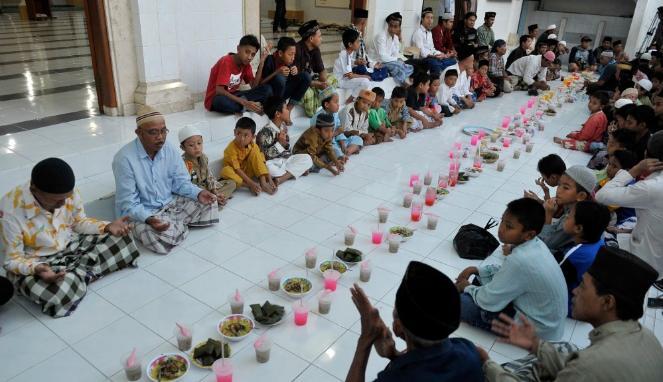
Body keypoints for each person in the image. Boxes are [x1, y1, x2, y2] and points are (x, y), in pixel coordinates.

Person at [483, 246, 663, 382]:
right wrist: (536, 345)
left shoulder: (590, 365)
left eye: (583, 286)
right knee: (562, 348)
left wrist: (487, 364)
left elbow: (583, 369)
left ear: (607, 302)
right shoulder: (648, 337)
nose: (575, 291)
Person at [2, 158, 139, 317]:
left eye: (66, 198)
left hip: (72, 245)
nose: (62, 204)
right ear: (35, 189)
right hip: (39, 262)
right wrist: (37, 269)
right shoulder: (9, 211)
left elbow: (79, 223)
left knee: (123, 239)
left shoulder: (68, 194)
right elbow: (11, 260)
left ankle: (76, 278)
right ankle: (83, 274)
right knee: (56, 292)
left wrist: (107, 226)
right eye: (56, 200)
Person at [346, 261, 484, 382]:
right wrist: (395, 356)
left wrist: (365, 340)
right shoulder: (468, 350)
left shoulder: (396, 378)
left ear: (398, 328)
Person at [456, 198, 568, 340]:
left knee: (459, 303)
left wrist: (466, 287)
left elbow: (488, 300)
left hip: (537, 331)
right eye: (502, 221)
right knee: (479, 281)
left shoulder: (521, 260)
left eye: (509, 226)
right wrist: (476, 270)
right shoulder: (535, 244)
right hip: (549, 323)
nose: (501, 228)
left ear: (529, 234)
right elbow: (508, 273)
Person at [113, 107, 218, 255]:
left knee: (210, 203)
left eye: (163, 131)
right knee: (150, 233)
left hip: (169, 202)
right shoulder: (124, 159)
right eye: (153, 132)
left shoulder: (169, 149)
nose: (160, 137)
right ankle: (177, 224)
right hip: (143, 212)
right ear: (139, 133)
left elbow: (180, 182)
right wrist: (149, 219)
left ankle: (175, 226)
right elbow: (128, 203)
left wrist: (198, 192)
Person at [596, 131, 663, 284]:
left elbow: (602, 196)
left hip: (644, 261)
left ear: (647, 156)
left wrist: (634, 170)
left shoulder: (652, 187)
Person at [558, 201, 610, 315]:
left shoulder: (576, 254)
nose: (566, 216)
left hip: (570, 306)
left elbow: (554, 280)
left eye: (570, 215)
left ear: (578, 228)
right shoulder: (599, 242)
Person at [204, 34, 272, 114]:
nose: (249, 57)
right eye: (247, 52)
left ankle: (243, 107)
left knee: (267, 89)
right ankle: (247, 106)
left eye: (253, 54)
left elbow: (254, 86)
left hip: (234, 95)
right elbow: (219, 90)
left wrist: (262, 63)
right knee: (222, 102)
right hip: (216, 98)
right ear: (238, 49)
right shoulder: (226, 61)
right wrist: (243, 102)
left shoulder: (246, 65)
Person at [539, 165, 597, 255]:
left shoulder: (574, 219)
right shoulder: (572, 207)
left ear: (581, 196)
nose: (558, 191)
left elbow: (544, 244)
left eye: (565, 188)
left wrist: (548, 214)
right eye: (559, 185)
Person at [256, 97, 313, 185]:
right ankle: (293, 173)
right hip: (272, 163)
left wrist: (285, 145)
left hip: (285, 160)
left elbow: (288, 150)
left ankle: (282, 178)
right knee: (268, 168)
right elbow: (265, 156)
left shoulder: (283, 126)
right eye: (286, 108)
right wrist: (280, 144)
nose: (288, 110)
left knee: (307, 158)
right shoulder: (265, 132)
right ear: (278, 114)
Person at [179, 126, 236, 206]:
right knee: (192, 201)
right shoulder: (182, 163)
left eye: (199, 143)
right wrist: (203, 193)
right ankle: (215, 200)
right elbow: (187, 186)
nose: (197, 148)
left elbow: (209, 177)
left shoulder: (203, 157)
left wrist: (215, 191)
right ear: (182, 148)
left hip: (207, 187)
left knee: (231, 183)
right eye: (191, 145)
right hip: (197, 192)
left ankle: (216, 198)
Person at [220, 117, 276, 196]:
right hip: (236, 173)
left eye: (246, 135)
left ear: (253, 137)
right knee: (225, 171)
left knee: (257, 153)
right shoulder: (231, 148)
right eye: (238, 133)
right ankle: (249, 186)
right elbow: (237, 170)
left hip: (248, 171)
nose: (241, 138)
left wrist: (269, 179)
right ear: (234, 132)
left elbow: (261, 162)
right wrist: (251, 184)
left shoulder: (252, 145)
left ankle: (263, 182)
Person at [296, 20, 335, 117]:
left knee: (333, 80)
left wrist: (323, 82)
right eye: (319, 36)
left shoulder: (315, 49)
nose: (321, 39)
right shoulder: (297, 50)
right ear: (311, 38)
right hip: (298, 83)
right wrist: (316, 84)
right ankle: (315, 111)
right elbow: (296, 78)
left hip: (312, 80)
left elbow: (322, 70)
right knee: (308, 93)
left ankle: (320, 102)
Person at [259, 36, 311, 111]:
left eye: (294, 54)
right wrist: (277, 72)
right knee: (280, 78)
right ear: (280, 53)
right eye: (290, 54)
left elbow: (292, 81)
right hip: (271, 96)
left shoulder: (288, 62)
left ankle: (288, 109)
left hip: (283, 93)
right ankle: (278, 108)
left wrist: (296, 72)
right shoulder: (269, 60)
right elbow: (260, 84)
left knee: (306, 76)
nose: (293, 58)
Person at [311, 87, 363, 160]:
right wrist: (336, 133)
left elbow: (339, 130)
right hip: (326, 143)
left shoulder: (335, 114)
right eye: (336, 102)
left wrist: (342, 145)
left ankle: (347, 151)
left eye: (338, 102)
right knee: (333, 149)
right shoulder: (318, 118)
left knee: (357, 139)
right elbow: (321, 138)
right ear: (327, 105)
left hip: (336, 141)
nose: (338, 105)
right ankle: (341, 154)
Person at [412, 7, 457, 75]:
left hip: (433, 57)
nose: (430, 20)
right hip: (423, 59)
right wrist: (435, 56)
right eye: (428, 18)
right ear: (422, 19)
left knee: (453, 61)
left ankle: (440, 65)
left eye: (432, 18)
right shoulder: (418, 33)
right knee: (435, 63)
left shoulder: (429, 33)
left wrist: (442, 55)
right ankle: (434, 80)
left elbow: (432, 48)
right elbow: (422, 53)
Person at [374, 12, 414, 86]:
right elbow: (382, 57)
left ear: (399, 28)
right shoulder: (381, 36)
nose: (392, 29)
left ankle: (402, 80)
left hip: (390, 62)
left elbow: (397, 53)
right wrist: (397, 60)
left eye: (395, 27)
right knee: (399, 66)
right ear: (388, 25)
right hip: (378, 62)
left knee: (411, 66)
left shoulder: (395, 38)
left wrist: (400, 37)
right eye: (390, 26)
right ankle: (403, 83)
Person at [350, 8, 389, 82]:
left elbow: (364, 56)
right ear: (363, 22)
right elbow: (348, 58)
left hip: (363, 65)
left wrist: (372, 64)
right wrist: (356, 62)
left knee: (384, 68)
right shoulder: (352, 35)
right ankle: (369, 75)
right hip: (355, 67)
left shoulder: (358, 33)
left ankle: (371, 74)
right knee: (364, 69)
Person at [334, 28, 371, 104]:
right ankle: (350, 100)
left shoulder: (347, 53)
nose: (359, 44)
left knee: (363, 74)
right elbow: (350, 75)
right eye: (357, 42)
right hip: (340, 81)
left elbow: (348, 63)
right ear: (350, 44)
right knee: (365, 81)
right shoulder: (345, 55)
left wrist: (357, 62)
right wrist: (364, 76)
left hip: (344, 79)